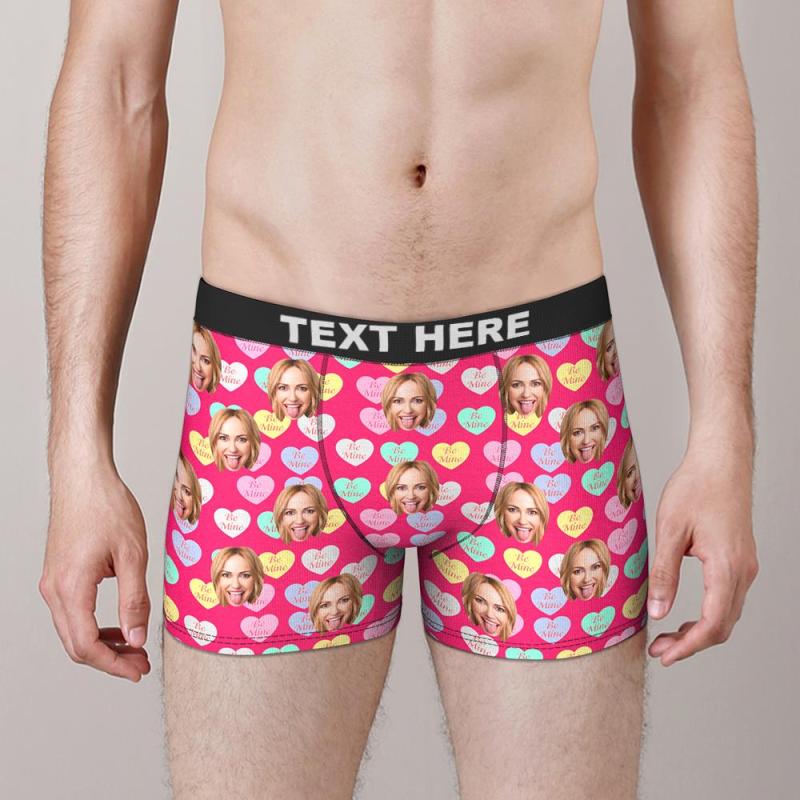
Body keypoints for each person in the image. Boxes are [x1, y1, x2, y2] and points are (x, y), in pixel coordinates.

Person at [39, 2, 759, 798]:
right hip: (269, 397)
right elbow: (115, 80)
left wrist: (725, 433)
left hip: (548, 396)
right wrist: (77, 453)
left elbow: (691, 78)